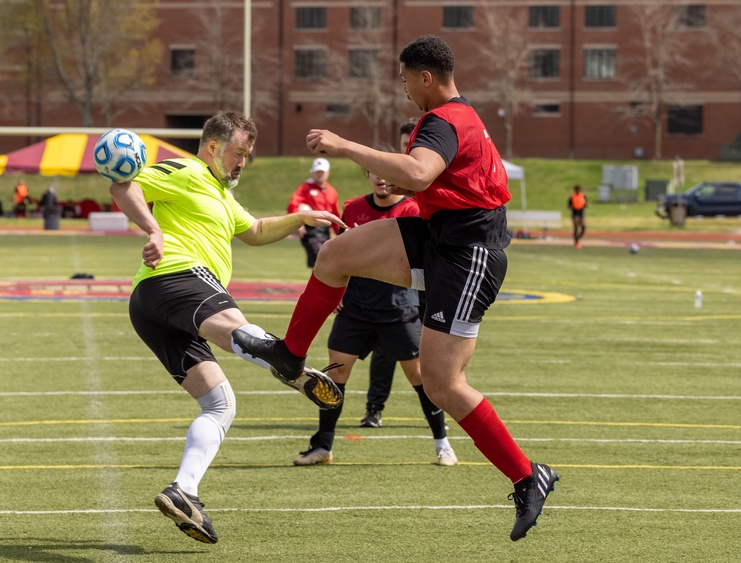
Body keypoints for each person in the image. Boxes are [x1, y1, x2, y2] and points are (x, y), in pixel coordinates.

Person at [232, 35, 559, 542]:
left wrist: (344, 146)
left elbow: (420, 171)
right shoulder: (452, 118)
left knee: (443, 383)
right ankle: (291, 355)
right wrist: (408, 183)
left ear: (425, 77)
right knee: (335, 255)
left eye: (406, 78)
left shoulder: (446, 120)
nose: (404, 88)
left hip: (468, 253)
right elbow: (435, 182)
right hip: (440, 235)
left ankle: (526, 475)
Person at [108, 110, 345, 545]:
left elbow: (253, 230)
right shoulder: (187, 169)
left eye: (247, 156)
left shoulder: (219, 192)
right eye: (238, 153)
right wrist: (154, 229)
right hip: (176, 279)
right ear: (214, 147)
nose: (242, 163)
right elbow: (124, 186)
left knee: (220, 404)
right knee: (239, 326)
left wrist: (302, 217)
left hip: (155, 308)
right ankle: (284, 361)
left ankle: (184, 491)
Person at [293, 155, 457, 468]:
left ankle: (442, 443)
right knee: (336, 372)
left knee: (421, 377)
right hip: (355, 307)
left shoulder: (411, 209)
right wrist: (335, 291)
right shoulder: (353, 208)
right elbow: (339, 256)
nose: (381, 179)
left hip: (397, 307)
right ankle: (323, 445)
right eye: (375, 173)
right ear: (368, 175)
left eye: (386, 173)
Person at [360, 118, 422, 428]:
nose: (408, 150)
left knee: (433, 354)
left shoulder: (429, 178)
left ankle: (438, 413)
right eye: (403, 145)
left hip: (435, 279)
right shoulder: (396, 183)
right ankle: (374, 408)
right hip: (396, 292)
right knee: (385, 351)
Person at [286, 157, 341, 267]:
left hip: (325, 230)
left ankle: (321, 284)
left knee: (322, 262)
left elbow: (335, 213)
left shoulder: (331, 191)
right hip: (310, 230)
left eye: (322, 171)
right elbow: (293, 204)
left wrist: (339, 232)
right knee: (320, 258)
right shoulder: (305, 187)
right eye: (317, 172)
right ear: (313, 172)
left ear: (328, 173)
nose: (319, 174)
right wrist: (297, 224)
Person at [567, 184, 587, 249]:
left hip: (581, 212)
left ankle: (579, 237)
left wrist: (584, 205)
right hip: (575, 212)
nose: (578, 191)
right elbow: (569, 205)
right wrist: (572, 207)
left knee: (583, 226)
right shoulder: (572, 196)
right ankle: (576, 241)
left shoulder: (583, 196)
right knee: (576, 226)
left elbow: (585, 204)